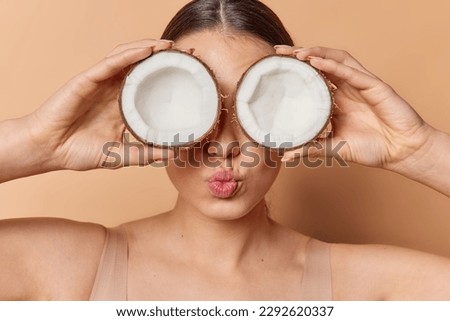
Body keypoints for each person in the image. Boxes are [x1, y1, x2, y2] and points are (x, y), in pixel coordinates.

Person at [1, 0, 449, 300]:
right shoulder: (66, 266)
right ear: (146, 113)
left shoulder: (366, 287)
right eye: (196, 108)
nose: (226, 147)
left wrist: (414, 149)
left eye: (255, 106)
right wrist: (40, 142)